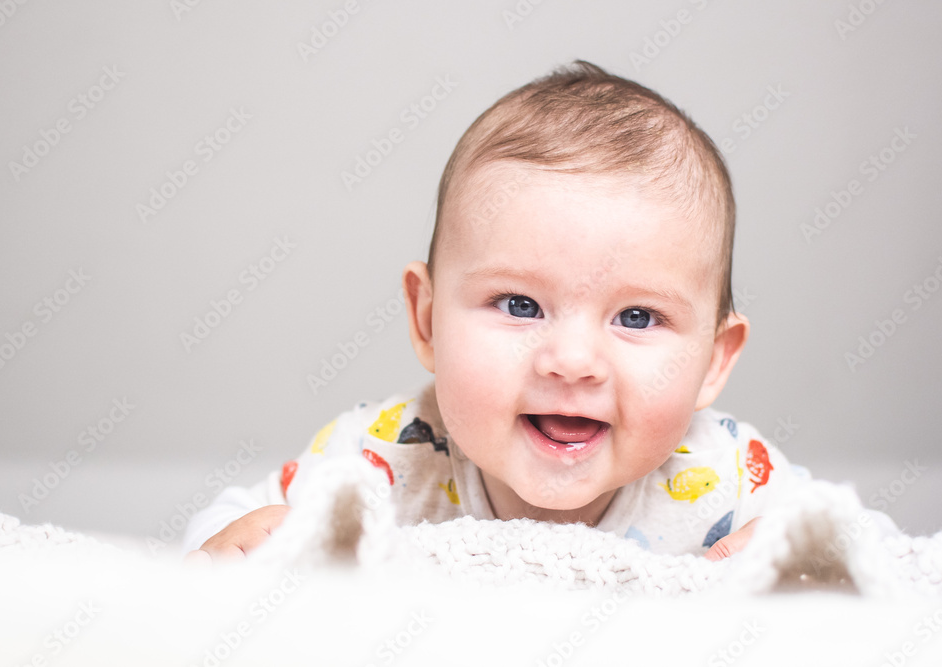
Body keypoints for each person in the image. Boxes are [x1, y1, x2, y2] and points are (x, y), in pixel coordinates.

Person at [183, 60, 816, 563]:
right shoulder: (379, 460)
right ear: (427, 319)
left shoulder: (731, 473)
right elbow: (227, 530)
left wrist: (807, 558)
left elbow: (859, 545)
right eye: (520, 305)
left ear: (713, 360)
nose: (572, 361)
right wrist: (241, 546)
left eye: (637, 318)